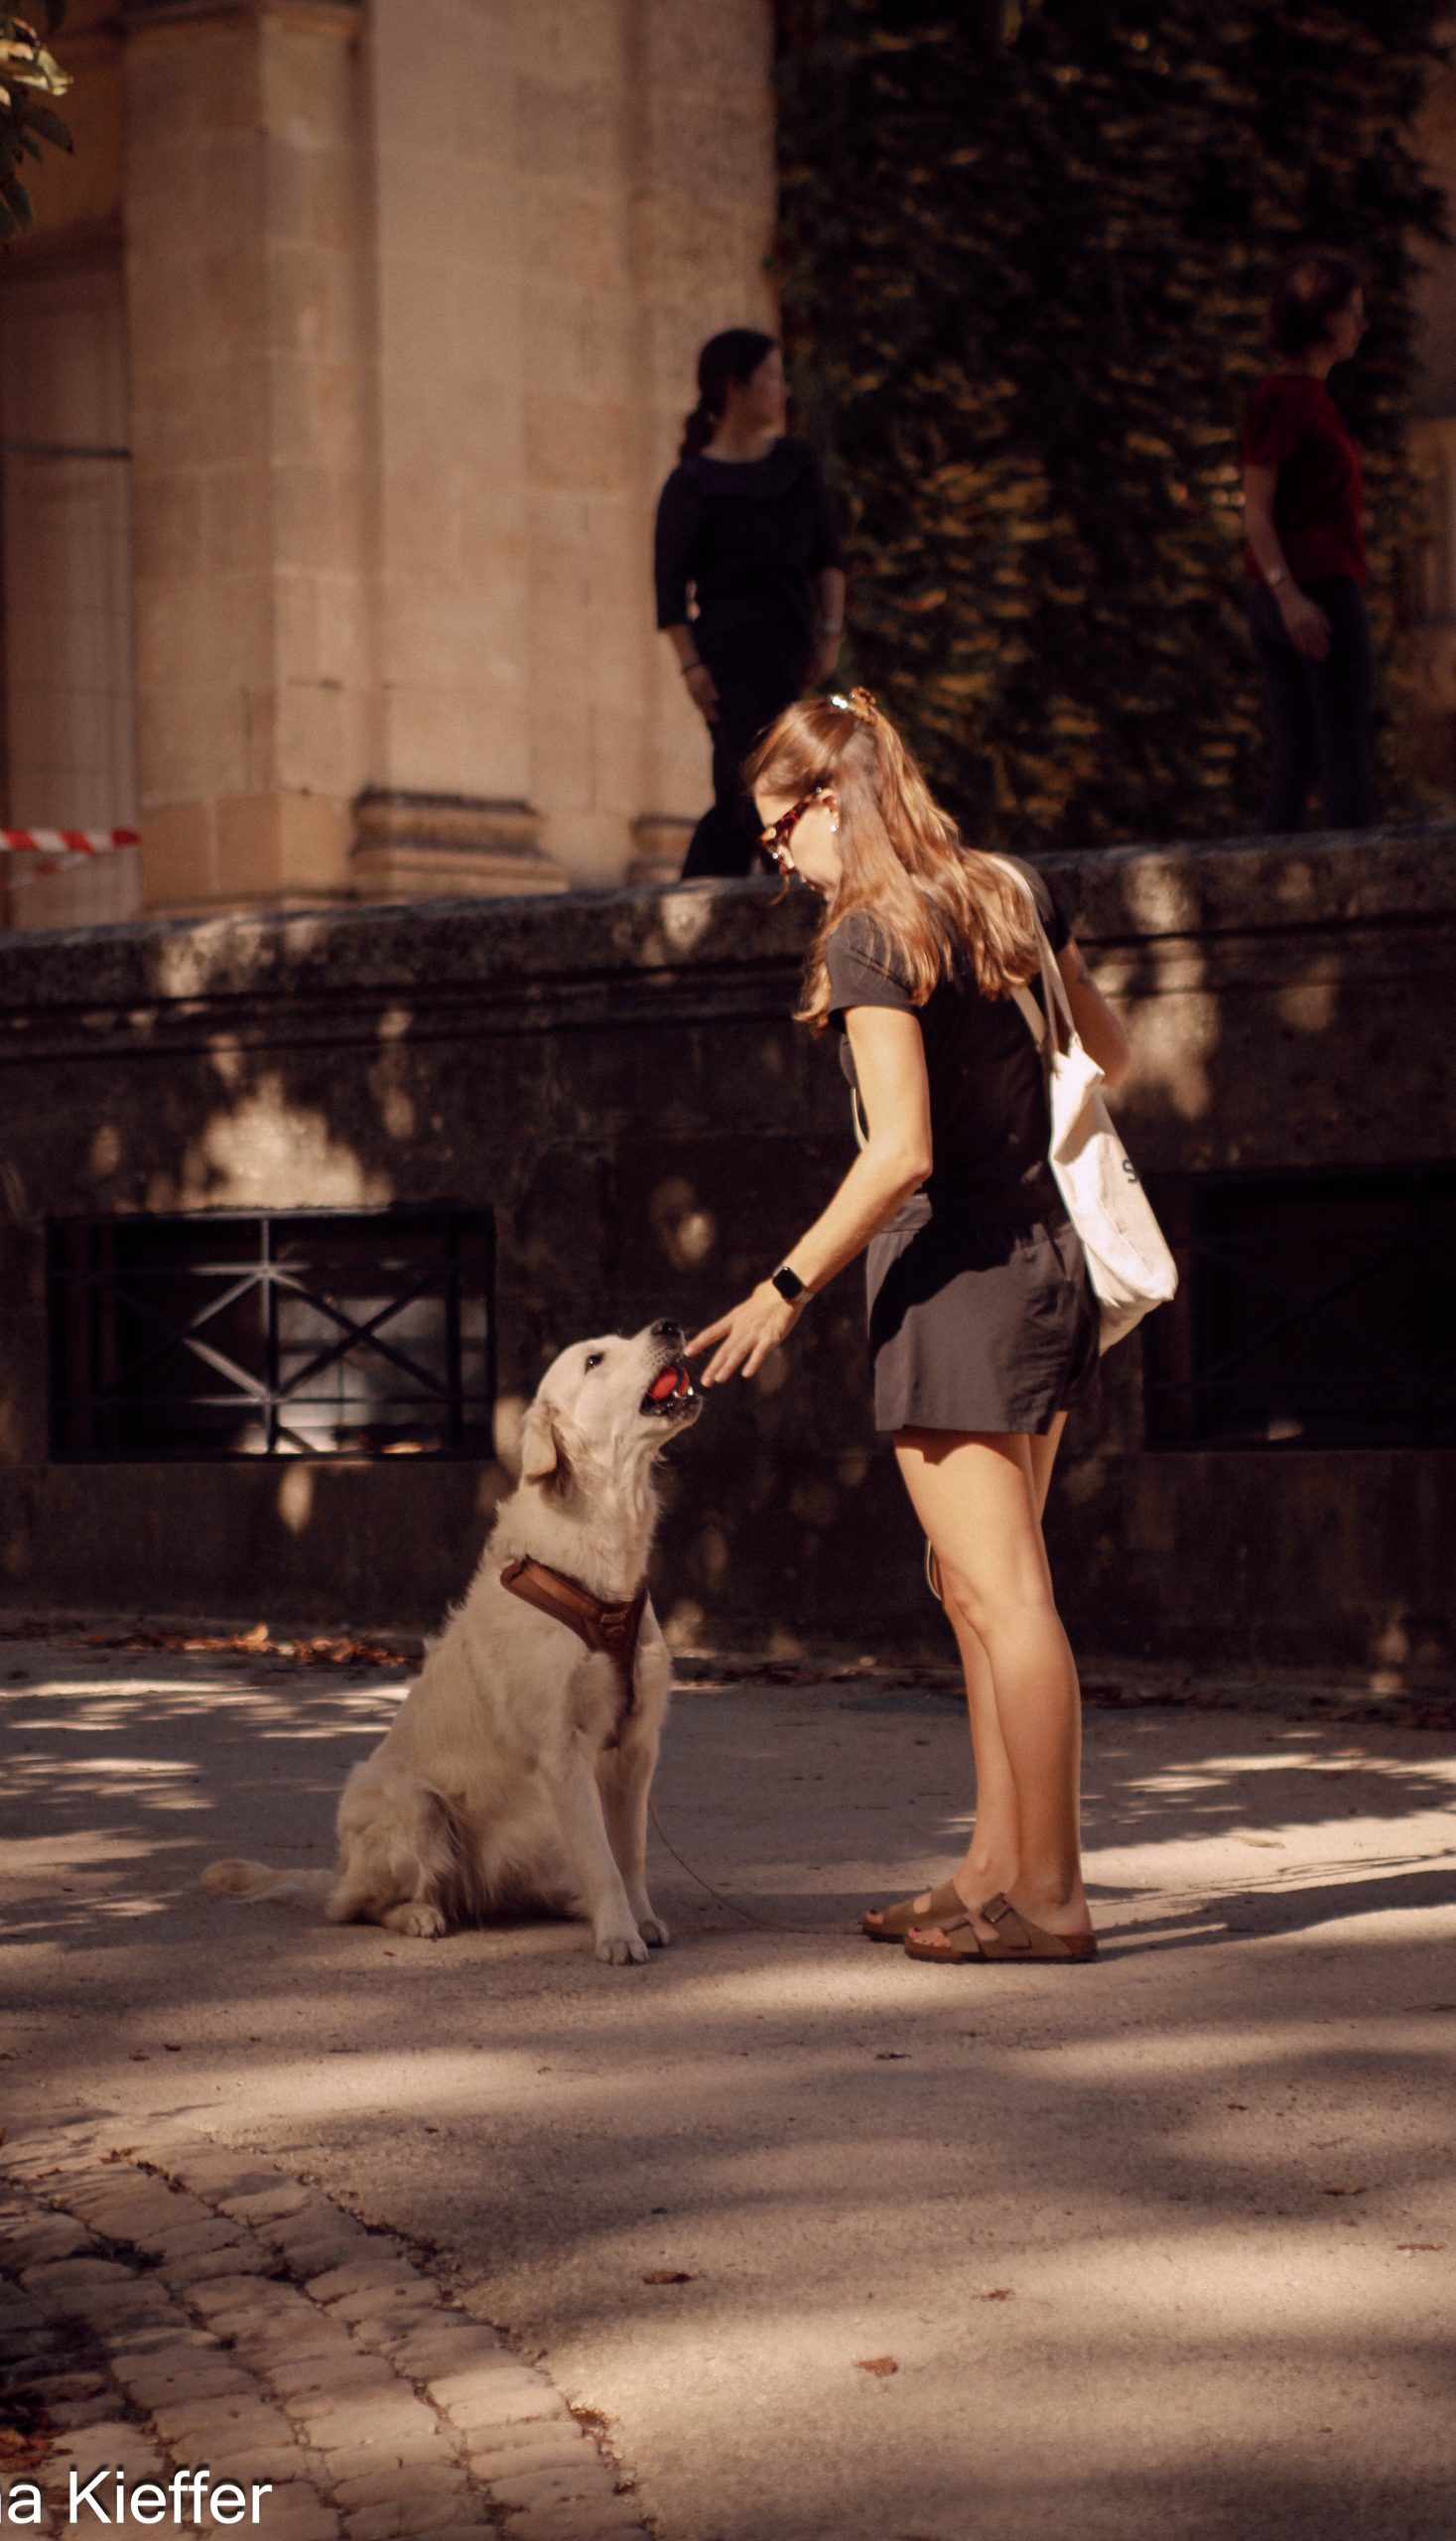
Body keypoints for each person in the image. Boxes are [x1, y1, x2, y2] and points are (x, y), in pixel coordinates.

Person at [689, 690, 1131, 1965]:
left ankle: (1049, 1896)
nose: (780, 864)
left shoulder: (871, 935)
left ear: (829, 798)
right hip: (1045, 1262)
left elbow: (898, 1155)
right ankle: (993, 1869)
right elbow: (1109, 1054)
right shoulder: (1009, 890)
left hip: (956, 1282)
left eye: (779, 836)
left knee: (1006, 1597)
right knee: (978, 1590)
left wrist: (778, 1295)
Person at [655, 330, 847, 879]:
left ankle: (739, 892)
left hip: (786, 645)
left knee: (770, 775)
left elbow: (828, 556)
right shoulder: (691, 482)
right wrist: (691, 664)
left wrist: (829, 635)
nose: (783, 390)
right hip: (726, 652)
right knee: (746, 780)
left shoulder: (795, 464)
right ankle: (754, 891)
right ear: (734, 386)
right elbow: (669, 590)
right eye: (770, 377)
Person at [1240, 248, 1376, 834]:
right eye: (1353, 311)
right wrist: (1288, 595)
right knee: (1340, 748)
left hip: (1298, 593)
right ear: (1322, 319)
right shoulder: (1282, 400)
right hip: (1313, 593)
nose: (1362, 324)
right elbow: (1257, 510)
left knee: (1299, 756)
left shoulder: (1309, 398)